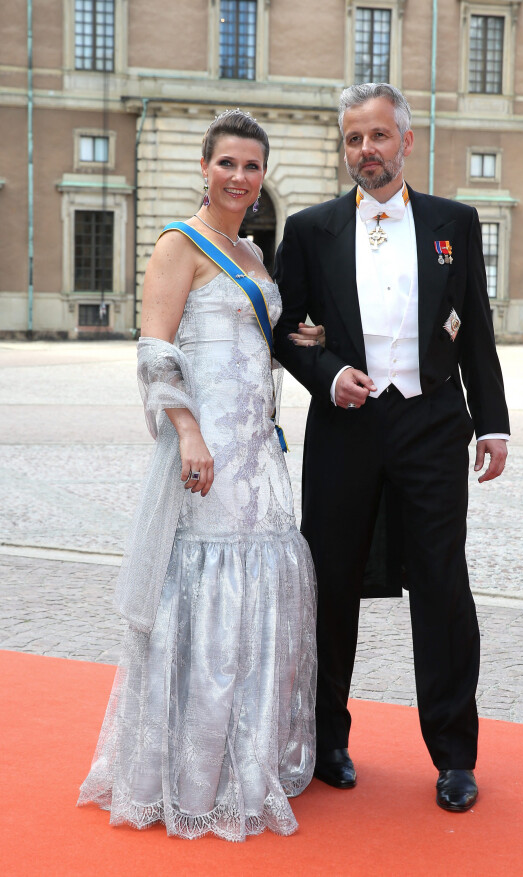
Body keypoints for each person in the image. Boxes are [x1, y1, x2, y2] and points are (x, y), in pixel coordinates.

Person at [77, 110, 317, 841]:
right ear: (204, 167)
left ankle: (246, 755)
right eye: (227, 164)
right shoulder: (178, 244)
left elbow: (246, 342)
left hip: (257, 451)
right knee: (204, 593)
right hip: (205, 449)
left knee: (257, 594)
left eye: (252, 166)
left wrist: (295, 341)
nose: (240, 177)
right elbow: (155, 349)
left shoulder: (252, 252)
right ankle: (186, 770)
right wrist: (186, 431)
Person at [273, 83, 510, 812]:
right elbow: (282, 332)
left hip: (434, 423)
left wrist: (492, 422)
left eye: (377, 136)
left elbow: (474, 329)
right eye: (353, 139)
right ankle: (325, 741)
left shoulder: (454, 223)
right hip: (346, 429)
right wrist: (327, 372)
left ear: (405, 141)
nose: (365, 151)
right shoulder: (310, 231)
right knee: (331, 582)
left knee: (441, 584)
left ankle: (454, 756)